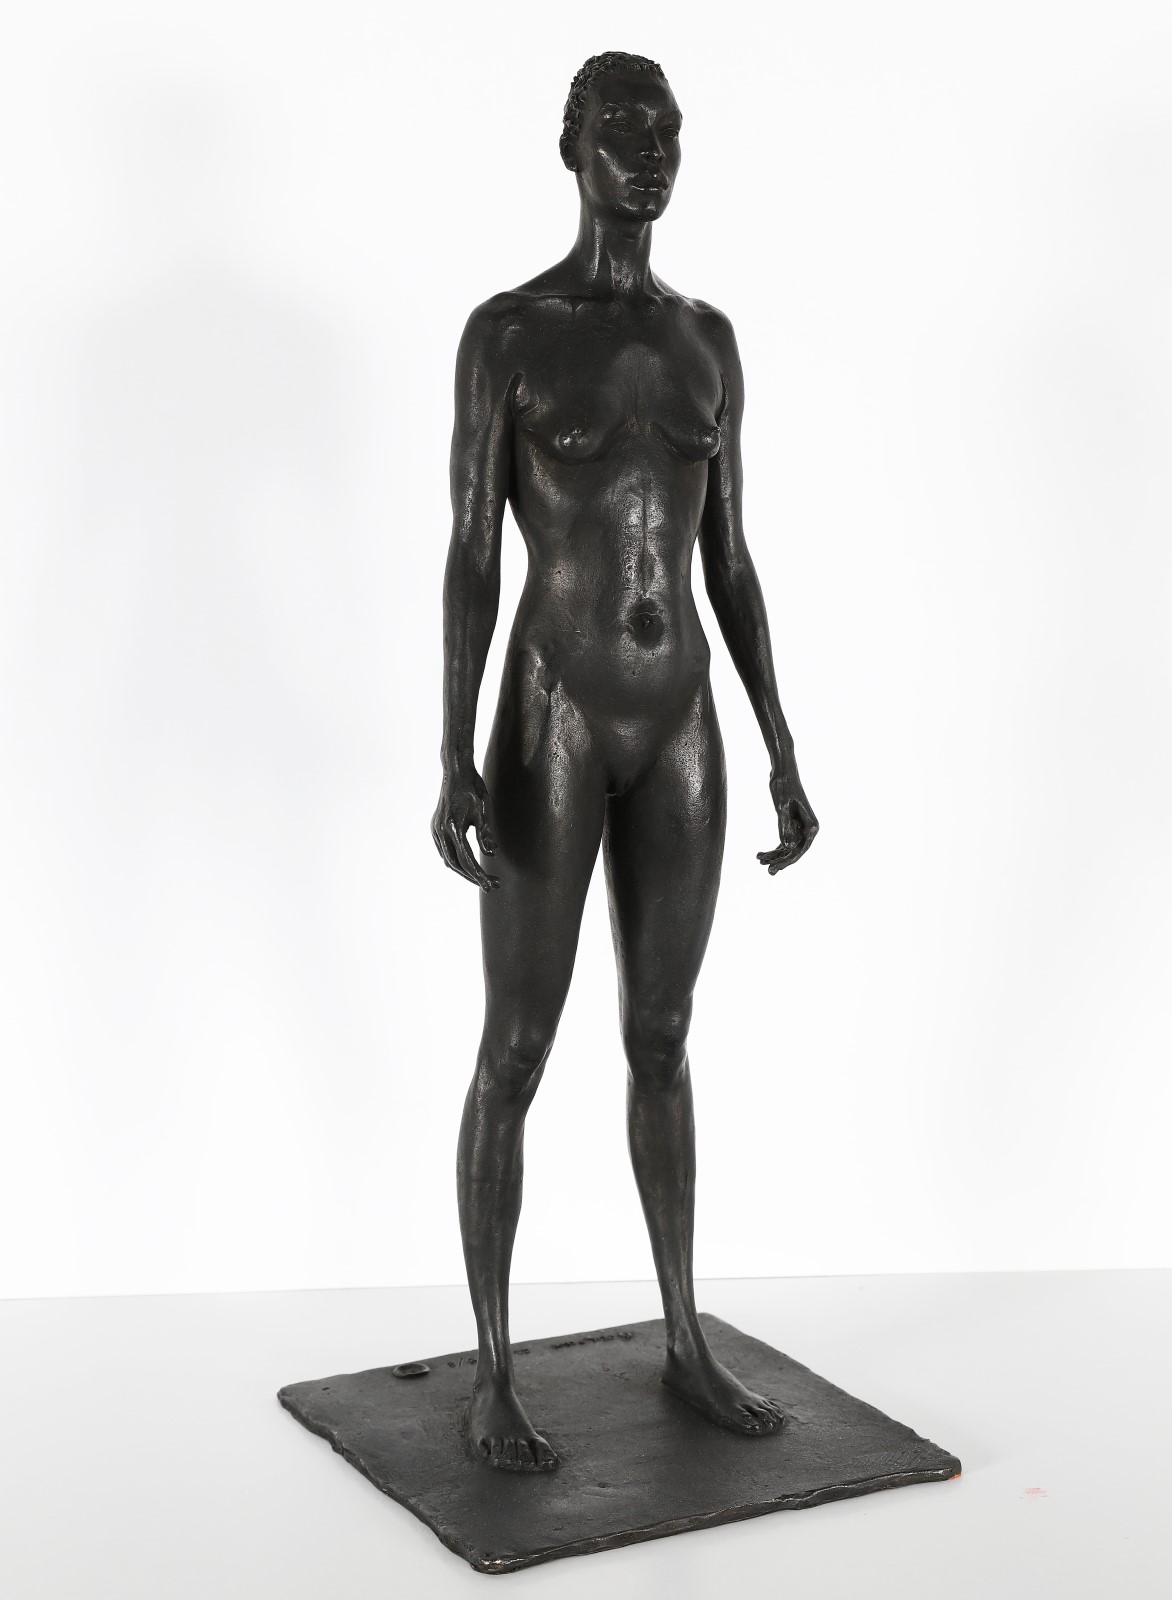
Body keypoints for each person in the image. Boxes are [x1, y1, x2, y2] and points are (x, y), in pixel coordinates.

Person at [431, 51, 818, 1473]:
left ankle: (683, 1337)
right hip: (555, 706)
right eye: (620, 132)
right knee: (517, 1047)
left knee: (662, 1035)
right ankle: (492, 1369)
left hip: (682, 717)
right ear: (572, 148)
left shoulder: (709, 337)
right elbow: (473, 550)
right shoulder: (510, 333)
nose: (647, 156)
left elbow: (731, 558)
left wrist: (780, 739)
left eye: (666, 132)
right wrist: (451, 744)